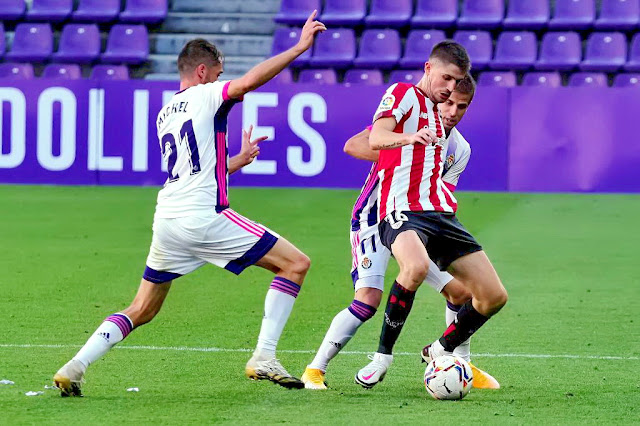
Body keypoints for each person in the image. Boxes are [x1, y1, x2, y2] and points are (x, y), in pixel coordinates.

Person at [52, 11, 327, 396]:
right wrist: (298, 47)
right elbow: (248, 83)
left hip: (168, 218)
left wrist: (234, 162)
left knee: (143, 307)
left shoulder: (166, 112)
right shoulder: (207, 94)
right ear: (201, 71)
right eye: (216, 74)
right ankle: (264, 355)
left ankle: (75, 365)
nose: (220, 80)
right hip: (203, 216)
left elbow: (193, 169)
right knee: (296, 263)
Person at [301, 75, 498, 390]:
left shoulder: (459, 149)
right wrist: (404, 154)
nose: (452, 111)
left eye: (461, 106)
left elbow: (439, 199)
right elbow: (353, 145)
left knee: (460, 292)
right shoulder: (408, 126)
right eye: (447, 102)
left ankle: (459, 363)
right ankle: (315, 369)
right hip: (375, 216)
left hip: (418, 224)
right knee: (367, 300)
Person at [354, 41, 507, 388]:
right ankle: (381, 358)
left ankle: (440, 349)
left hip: (440, 214)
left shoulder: (452, 132)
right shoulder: (404, 94)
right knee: (416, 267)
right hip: (401, 209)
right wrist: (409, 137)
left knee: (494, 296)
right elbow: (374, 138)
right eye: (447, 80)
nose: (450, 90)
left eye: (457, 86)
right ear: (428, 69)